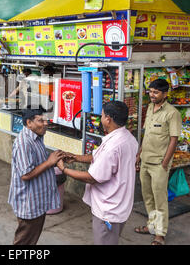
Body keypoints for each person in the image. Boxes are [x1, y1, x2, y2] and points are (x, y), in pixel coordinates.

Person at [57, 101, 138, 245]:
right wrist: (76, 157)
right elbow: (98, 157)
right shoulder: (128, 138)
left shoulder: (113, 146)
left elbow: (92, 178)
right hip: (120, 204)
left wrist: (64, 169)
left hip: (109, 208)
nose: (100, 119)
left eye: (101, 115)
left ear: (108, 119)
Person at [8, 107, 66, 245]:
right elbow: (26, 175)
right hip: (28, 203)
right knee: (24, 241)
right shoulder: (24, 143)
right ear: (29, 123)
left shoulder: (36, 137)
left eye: (45, 120)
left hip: (37, 201)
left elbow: (40, 162)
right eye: (41, 121)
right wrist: (50, 162)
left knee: (31, 239)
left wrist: (56, 159)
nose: (45, 124)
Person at [134, 79, 182, 245]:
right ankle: (152, 226)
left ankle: (160, 234)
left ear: (165, 94)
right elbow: (147, 135)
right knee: (148, 197)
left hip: (159, 164)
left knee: (160, 199)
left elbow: (173, 140)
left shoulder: (172, 113)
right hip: (146, 160)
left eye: (155, 92)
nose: (152, 95)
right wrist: (138, 155)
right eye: (150, 91)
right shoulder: (149, 108)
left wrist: (165, 163)